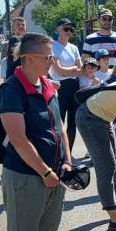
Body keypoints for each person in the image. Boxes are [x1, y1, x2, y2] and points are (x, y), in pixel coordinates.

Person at [0, 32, 77, 231]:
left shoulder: (47, 85)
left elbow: (60, 127)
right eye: (48, 57)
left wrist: (67, 161)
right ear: (28, 58)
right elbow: (18, 139)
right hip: (25, 176)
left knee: (47, 230)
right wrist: (44, 171)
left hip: (54, 174)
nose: (52, 62)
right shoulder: (11, 90)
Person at [75, 55, 116, 231]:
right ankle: (114, 219)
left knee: (115, 163)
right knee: (106, 167)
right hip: (90, 117)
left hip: (103, 117)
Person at [49, 18, 83, 152]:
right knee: (59, 122)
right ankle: (59, 153)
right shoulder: (53, 46)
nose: (69, 31)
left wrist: (70, 71)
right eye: (66, 29)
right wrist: (73, 69)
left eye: (71, 29)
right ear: (58, 30)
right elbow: (59, 70)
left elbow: (81, 70)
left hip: (74, 86)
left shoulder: (73, 47)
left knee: (73, 122)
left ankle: (69, 154)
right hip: (60, 87)